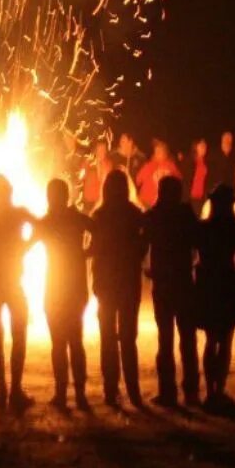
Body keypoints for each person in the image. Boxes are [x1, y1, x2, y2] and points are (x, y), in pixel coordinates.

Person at [0, 173, 41, 412]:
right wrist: (25, 246)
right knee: (17, 331)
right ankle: (13, 390)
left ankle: (5, 391)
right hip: (10, 278)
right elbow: (41, 227)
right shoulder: (18, 213)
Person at [34, 177, 92, 411]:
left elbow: (25, 246)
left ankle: (63, 393)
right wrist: (88, 252)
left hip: (56, 288)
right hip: (74, 288)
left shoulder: (47, 222)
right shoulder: (76, 219)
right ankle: (78, 394)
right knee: (75, 341)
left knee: (59, 343)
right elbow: (99, 230)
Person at [91, 168, 146, 407]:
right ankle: (133, 391)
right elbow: (143, 244)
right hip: (128, 282)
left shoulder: (100, 215)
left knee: (107, 338)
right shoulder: (135, 214)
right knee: (128, 337)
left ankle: (110, 390)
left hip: (105, 282)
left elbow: (95, 248)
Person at [143, 174, 199, 407]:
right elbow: (198, 241)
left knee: (165, 340)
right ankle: (191, 392)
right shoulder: (186, 215)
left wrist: (148, 270)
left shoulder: (154, 216)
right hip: (184, 282)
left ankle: (168, 393)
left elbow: (142, 243)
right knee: (187, 339)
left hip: (164, 285)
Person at [196, 183, 235, 409]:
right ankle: (219, 390)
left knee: (211, 339)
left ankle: (210, 391)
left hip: (207, 284)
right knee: (224, 340)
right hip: (225, 282)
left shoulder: (203, 228)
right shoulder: (232, 228)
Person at [135, 139, 181, 209]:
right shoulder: (148, 166)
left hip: (164, 205)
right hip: (147, 203)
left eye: (160, 151)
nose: (157, 153)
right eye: (156, 151)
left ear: (165, 153)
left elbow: (178, 182)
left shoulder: (171, 166)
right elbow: (137, 181)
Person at [188, 137, 211, 214]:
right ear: (195, 147)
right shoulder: (190, 161)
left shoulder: (207, 162)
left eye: (205, 146)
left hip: (202, 197)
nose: (204, 148)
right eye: (201, 146)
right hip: (191, 197)